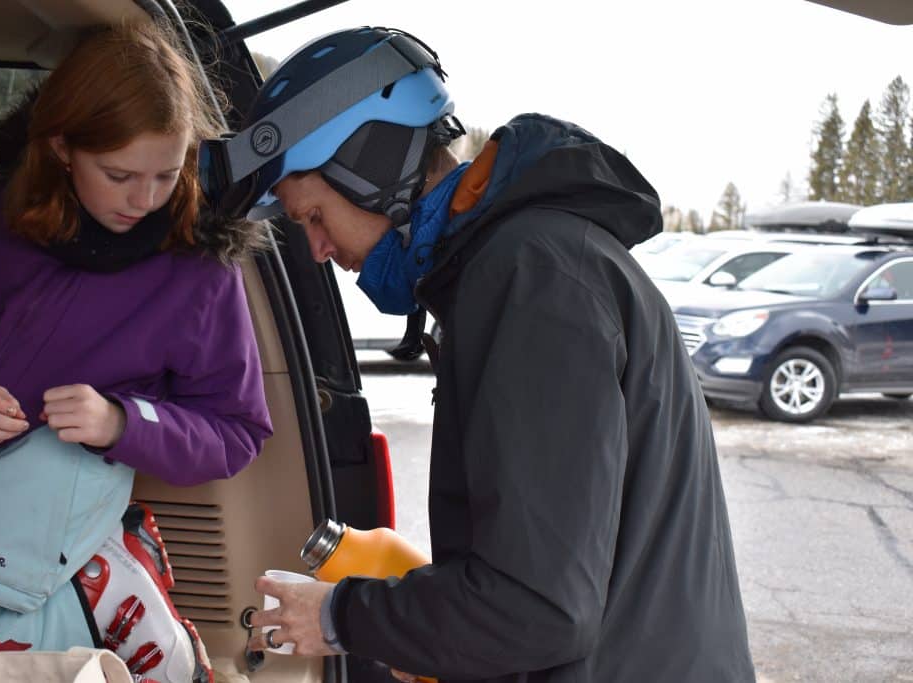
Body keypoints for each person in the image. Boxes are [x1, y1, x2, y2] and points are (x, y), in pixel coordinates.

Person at [200, 26, 756, 682]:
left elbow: (538, 606)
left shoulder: (531, 280)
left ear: (369, 162)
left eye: (313, 215)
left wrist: (339, 616)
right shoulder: (532, 263)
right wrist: (435, 635)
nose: (318, 248)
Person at [0, 20, 272, 683]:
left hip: (61, 544)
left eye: (167, 173)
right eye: (120, 174)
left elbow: (235, 430)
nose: (146, 200)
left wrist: (122, 423)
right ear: (62, 147)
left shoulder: (200, 266)